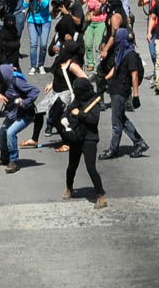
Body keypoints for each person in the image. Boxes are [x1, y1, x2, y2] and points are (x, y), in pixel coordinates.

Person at [101, 28, 149, 159]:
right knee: (121, 118)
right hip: (115, 88)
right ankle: (139, 143)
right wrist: (104, 79)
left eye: (117, 39)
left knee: (116, 123)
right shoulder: (121, 52)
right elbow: (116, 67)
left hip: (121, 91)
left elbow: (134, 75)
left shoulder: (130, 55)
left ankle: (113, 149)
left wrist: (136, 95)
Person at [62, 77, 106, 209]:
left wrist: (79, 114)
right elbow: (69, 110)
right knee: (72, 166)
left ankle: (101, 196)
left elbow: (94, 120)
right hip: (76, 137)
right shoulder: (78, 99)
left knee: (91, 167)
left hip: (89, 138)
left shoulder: (94, 102)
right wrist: (65, 117)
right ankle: (69, 187)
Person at [0, 63, 38, 174]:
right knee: (1, 135)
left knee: (10, 133)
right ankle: (4, 158)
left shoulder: (16, 81)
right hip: (12, 114)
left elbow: (35, 91)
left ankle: (13, 161)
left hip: (24, 114)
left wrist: (24, 102)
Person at [25, 0, 52, 76]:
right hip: (32, 21)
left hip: (45, 21)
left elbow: (45, 5)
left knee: (43, 45)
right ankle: (33, 66)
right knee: (33, 44)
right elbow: (25, 5)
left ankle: (41, 65)